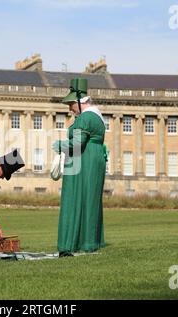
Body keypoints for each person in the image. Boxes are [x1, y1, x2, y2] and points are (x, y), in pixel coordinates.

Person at [52, 78, 106, 257]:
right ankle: (89, 240)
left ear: (80, 102)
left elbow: (76, 144)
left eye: (71, 104)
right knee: (89, 200)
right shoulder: (97, 117)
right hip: (93, 159)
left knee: (74, 200)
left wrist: (59, 145)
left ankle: (69, 243)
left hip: (83, 161)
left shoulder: (85, 118)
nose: (70, 109)